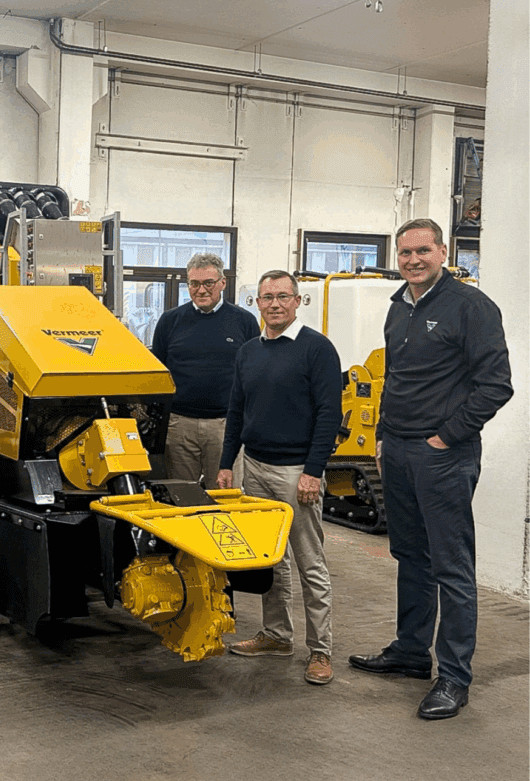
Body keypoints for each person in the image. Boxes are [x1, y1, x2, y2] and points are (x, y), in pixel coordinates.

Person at [348, 219, 512, 720]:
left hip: (442, 456)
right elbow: (394, 377)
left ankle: (455, 678)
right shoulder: (399, 306)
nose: (413, 260)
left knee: (451, 566)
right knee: (410, 555)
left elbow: (496, 384)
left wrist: (447, 436)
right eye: (405, 253)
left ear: (442, 251)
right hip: (395, 450)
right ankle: (411, 652)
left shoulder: (471, 307)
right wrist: (380, 436)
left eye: (423, 250)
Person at [216, 269, 342, 685]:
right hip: (255, 467)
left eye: (283, 296)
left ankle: (321, 651)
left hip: (295, 472)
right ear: (257, 303)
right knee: (271, 559)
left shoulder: (317, 349)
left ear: (297, 301)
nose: (274, 304)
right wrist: (225, 463)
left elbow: (329, 416)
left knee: (310, 563)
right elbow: (237, 411)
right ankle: (276, 634)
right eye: (267, 297)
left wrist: (313, 471)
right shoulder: (249, 351)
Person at [151, 253, 259, 489]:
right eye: (194, 284)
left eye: (208, 283)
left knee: (224, 495)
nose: (201, 290)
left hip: (225, 426)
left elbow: (254, 376)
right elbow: (157, 372)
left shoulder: (245, 321)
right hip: (180, 425)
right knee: (181, 495)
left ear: (222, 283)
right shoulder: (170, 321)